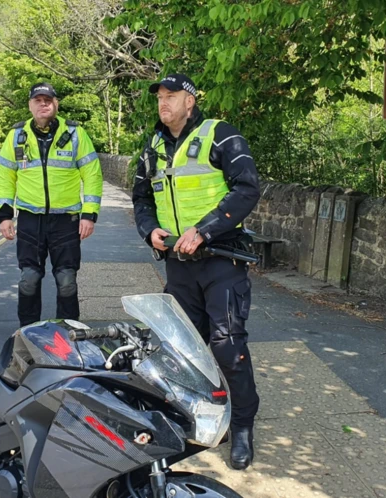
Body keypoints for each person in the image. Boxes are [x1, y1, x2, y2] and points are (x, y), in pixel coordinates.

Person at [132, 74, 261, 470]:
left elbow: (247, 188)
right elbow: (141, 197)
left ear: (189, 101)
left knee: (227, 346)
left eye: (171, 96)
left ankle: (241, 426)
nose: (163, 103)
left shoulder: (220, 134)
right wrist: (148, 229)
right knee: (179, 349)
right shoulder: (152, 147)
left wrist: (203, 229)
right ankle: (191, 416)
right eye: (159, 97)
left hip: (221, 260)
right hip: (178, 265)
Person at [0, 82, 103, 327]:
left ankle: (69, 334)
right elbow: (4, 175)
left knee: (66, 280)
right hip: (30, 220)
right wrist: (4, 215)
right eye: (38, 100)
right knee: (29, 278)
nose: (43, 104)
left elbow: (92, 174)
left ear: (56, 104)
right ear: (30, 105)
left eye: (48, 100)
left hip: (66, 221)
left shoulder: (75, 134)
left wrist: (89, 214)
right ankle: (28, 333)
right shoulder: (17, 136)